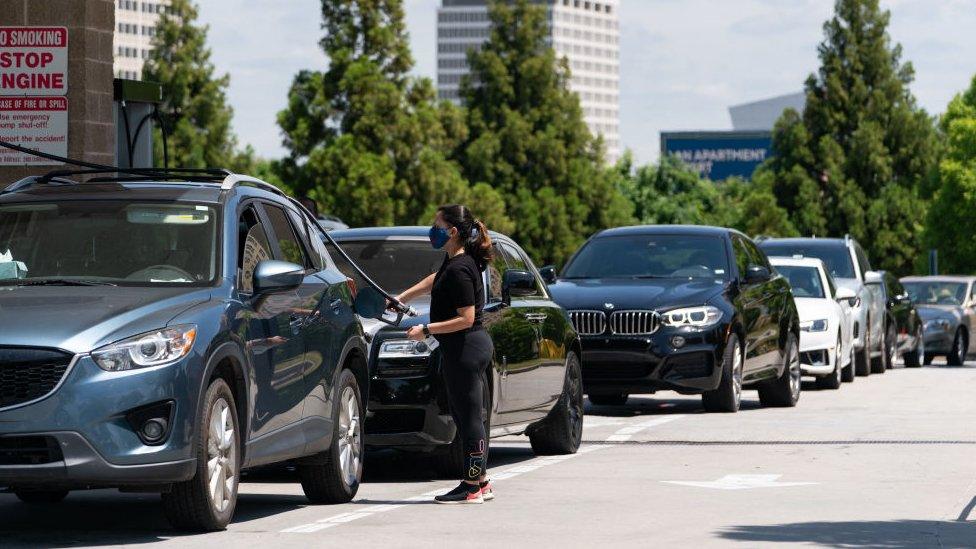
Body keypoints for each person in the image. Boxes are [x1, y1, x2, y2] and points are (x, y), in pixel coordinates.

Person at [394, 204, 495, 504]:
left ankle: (471, 485)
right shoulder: (454, 262)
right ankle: (482, 481)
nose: (432, 229)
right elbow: (434, 280)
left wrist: (425, 330)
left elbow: (466, 317)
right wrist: (401, 297)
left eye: (437, 225)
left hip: (467, 347)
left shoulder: (462, 269)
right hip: (462, 348)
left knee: (469, 418)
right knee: (465, 416)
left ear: (452, 231)